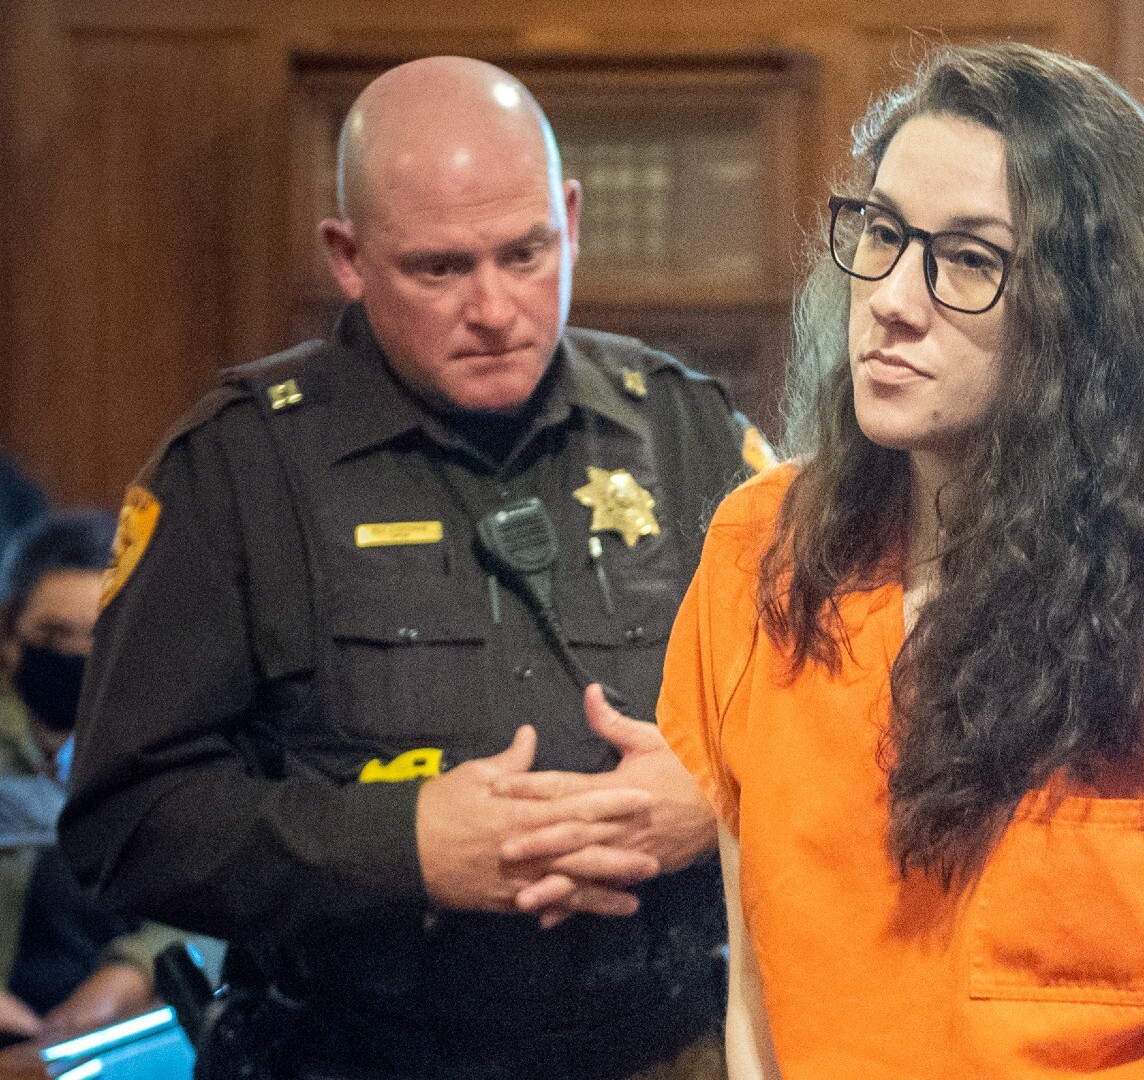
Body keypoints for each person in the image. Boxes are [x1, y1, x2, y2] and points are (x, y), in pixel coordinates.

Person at [652, 43, 1144, 1079]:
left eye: (967, 259)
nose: (895, 299)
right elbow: (755, 1000)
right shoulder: (759, 548)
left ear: (1082, 308)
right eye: (884, 234)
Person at [60, 56, 768, 1080]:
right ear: (348, 257)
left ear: (570, 219)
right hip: (355, 1053)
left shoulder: (687, 429)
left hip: (667, 1049)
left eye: (526, 253)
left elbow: (838, 728)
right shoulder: (237, 467)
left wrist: (719, 799)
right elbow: (125, 823)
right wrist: (404, 847)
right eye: (439, 269)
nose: (494, 307)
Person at [0, 510, 192, 1055]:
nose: (77, 659)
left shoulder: (174, 751)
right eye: (54, 635)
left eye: (100, 636)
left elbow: (220, 902)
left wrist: (133, 972)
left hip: (123, 1039)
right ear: (11, 633)